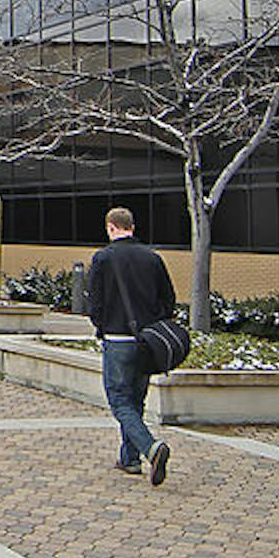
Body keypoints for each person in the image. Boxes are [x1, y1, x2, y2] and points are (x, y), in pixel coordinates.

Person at [86, 206, 175, 485]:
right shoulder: (152, 258)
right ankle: (130, 459)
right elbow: (168, 300)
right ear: (132, 227)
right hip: (147, 341)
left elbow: (94, 303)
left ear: (111, 227)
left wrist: (102, 325)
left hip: (117, 339)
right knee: (136, 400)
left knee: (120, 400)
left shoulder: (103, 258)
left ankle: (151, 448)